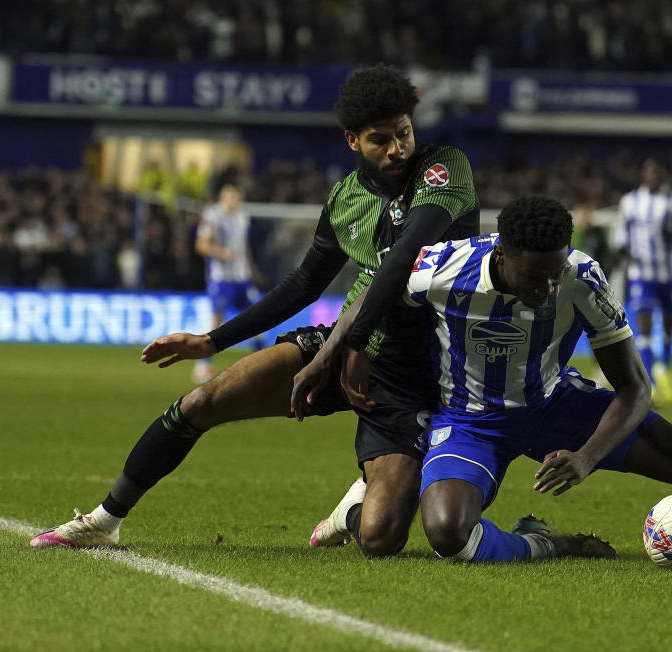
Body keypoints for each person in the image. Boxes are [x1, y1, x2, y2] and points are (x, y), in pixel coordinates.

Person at [29, 64, 480, 558]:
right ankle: (104, 519)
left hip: (417, 372)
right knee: (204, 400)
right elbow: (307, 282)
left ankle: (356, 506)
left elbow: (402, 260)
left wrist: (344, 347)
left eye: (404, 133)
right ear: (352, 140)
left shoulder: (442, 167)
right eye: (381, 139)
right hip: (347, 345)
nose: (398, 148)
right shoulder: (345, 199)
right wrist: (212, 340)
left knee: (380, 538)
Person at [332, 196, 672, 564]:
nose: (548, 285)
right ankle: (549, 544)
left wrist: (586, 456)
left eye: (555, 271)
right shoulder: (446, 268)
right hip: (471, 422)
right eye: (536, 275)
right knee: (447, 534)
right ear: (502, 255)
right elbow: (374, 287)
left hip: (555, 407)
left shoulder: (581, 277)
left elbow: (634, 388)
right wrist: (343, 351)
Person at [611, 159, 672, 405]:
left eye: (658, 172)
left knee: (669, 328)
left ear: (663, 176)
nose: (653, 176)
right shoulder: (630, 202)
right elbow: (620, 232)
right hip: (641, 275)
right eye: (649, 172)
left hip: (671, 275)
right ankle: (649, 383)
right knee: (646, 330)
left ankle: (664, 367)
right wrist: (622, 250)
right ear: (643, 174)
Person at [192, 182, 264, 383]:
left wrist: (252, 269)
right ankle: (202, 365)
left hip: (242, 278)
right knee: (217, 320)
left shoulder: (242, 216)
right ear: (222, 199)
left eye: (237, 197)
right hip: (221, 278)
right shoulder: (212, 215)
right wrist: (222, 253)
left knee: (259, 315)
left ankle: (262, 363)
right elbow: (201, 245)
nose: (235, 201)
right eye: (231, 197)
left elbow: (243, 246)